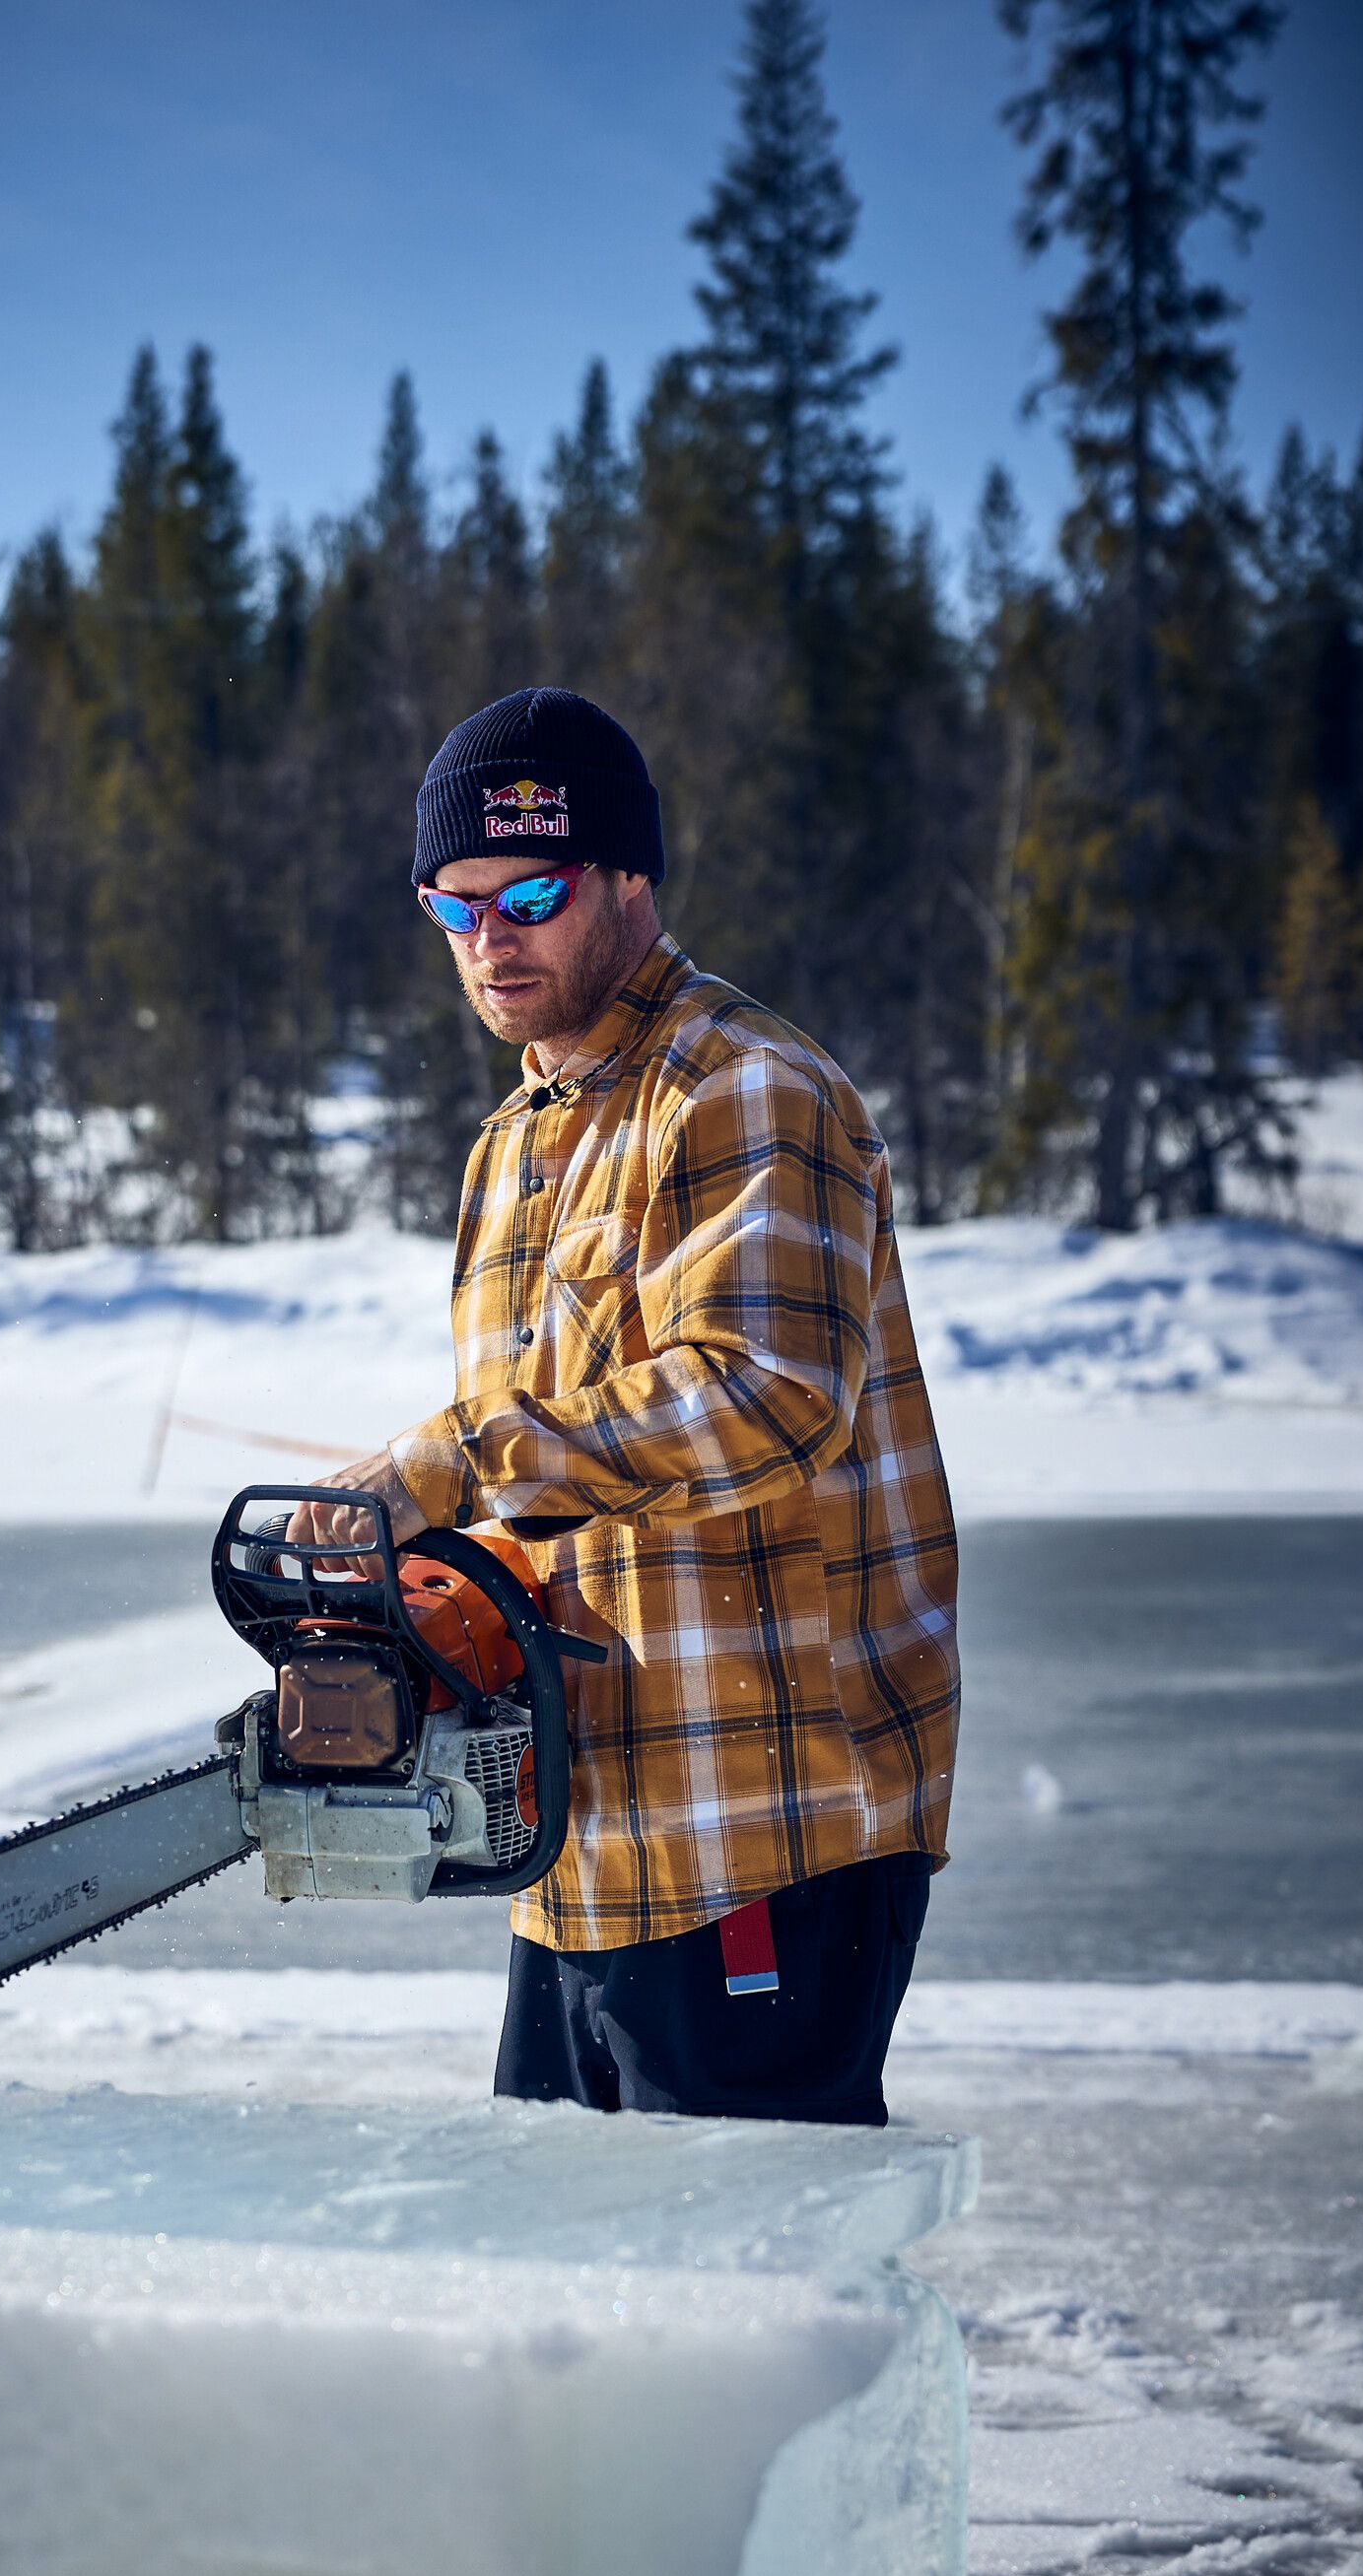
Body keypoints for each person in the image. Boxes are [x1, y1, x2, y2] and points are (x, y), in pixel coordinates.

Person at [290, 686, 958, 2124]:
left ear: (628, 877)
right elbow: (562, 1491)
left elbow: (766, 1397)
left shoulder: (744, 1090)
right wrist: (423, 1605)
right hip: (577, 1849)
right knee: (576, 2322)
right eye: (450, 905)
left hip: (754, 1833)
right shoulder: (514, 1143)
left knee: (750, 2321)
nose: (488, 938)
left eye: (527, 892)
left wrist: (453, 1465)